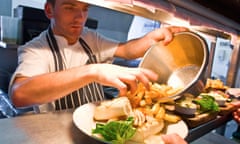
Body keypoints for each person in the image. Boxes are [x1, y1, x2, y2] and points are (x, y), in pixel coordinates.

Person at [9, 0, 188, 143]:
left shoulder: (89, 37)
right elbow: (20, 94)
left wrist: (151, 38)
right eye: (70, 7)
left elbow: (126, 50)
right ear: (49, 11)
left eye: (85, 8)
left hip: (101, 130)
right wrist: (92, 71)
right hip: (61, 135)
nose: (80, 17)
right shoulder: (35, 49)